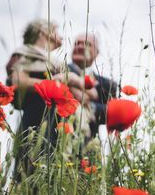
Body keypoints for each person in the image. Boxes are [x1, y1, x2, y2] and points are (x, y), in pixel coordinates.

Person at [7, 19, 64, 178]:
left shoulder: (54, 62)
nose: (62, 37)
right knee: (30, 168)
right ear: (43, 31)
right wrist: (52, 85)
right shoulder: (25, 53)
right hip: (35, 119)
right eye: (56, 31)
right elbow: (19, 81)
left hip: (58, 122)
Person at [65, 33, 117, 146]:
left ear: (97, 53)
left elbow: (113, 113)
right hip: (52, 145)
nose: (80, 46)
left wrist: (90, 106)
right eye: (76, 43)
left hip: (88, 148)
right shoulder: (56, 69)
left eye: (86, 44)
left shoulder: (107, 85)